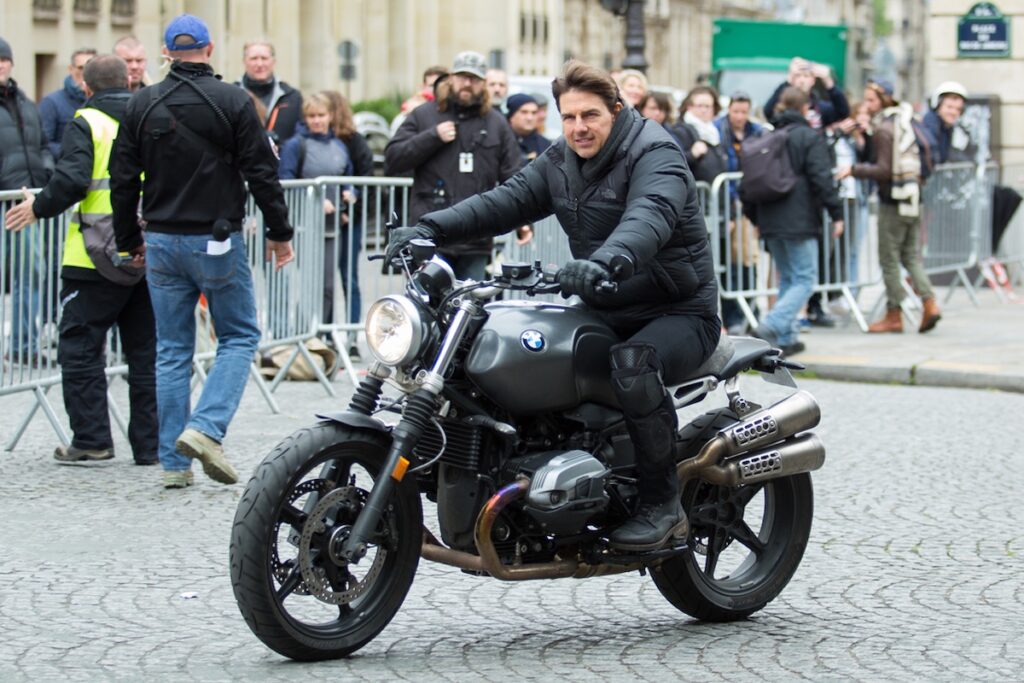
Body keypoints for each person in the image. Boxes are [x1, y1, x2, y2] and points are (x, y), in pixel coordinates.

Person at [385, 60, 720, 551]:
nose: (579, 127)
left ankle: (662, 506)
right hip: (607, 302)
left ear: (617, 110)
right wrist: (429, 229)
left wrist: (608, 261)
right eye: (568, 117)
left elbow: (651, 216)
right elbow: (504, 200)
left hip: (678, 310)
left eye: (590, 116)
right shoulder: (561, 160)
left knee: (633, 363)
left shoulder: (656, 152)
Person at [110, 14, 295, 489]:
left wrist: (130, 241)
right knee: (238, 335)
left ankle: (175, 464)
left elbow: (123, 180)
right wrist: (280, 231)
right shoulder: (233, 100)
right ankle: (205, 429)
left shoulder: (142, 104)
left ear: (167, 52)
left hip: (162, 240)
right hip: (216, 238)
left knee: (171, 349)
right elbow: (261, 173)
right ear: (210, 50)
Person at [4, 55, 157, 466]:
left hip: (93, 257)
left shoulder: (86, 121)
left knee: (80, 347)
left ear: (86, 87)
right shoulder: (151, 115)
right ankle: (150, 445)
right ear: (128, 81)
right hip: (148, 251)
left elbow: (72, 179)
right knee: (145, 353)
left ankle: (91, 440)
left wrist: (38, 207)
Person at [383, 50, 519, 280]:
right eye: (462, 77)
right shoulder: (424, 115)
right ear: (451, 78)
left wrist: (523, 221)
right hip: (429, 235)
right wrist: (431, 137)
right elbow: (393, 159)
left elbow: (514, 174)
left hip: (475, 236)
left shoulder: (496, 123)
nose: (467, 83)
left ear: (483, 84)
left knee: (468, 308)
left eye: (474, 79)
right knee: (425, 307)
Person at [743, 87, 844, 356]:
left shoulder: (767, 135)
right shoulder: (808, 136)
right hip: (798, 218)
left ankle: (786, 338)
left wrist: (756, 218)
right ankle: (772, 325)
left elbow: (749, 181)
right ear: (805, 108)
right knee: (804, 279)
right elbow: (822, 178)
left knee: (788, 275)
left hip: (770, 218)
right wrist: (837, 213)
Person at [837, 79, 941, 334]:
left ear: (884, 100)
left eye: (871, 100)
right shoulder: (905, 119)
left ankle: (897, 313)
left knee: (889, 260)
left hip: (892, 201)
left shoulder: (885, 128)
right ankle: (928, 303)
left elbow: (883, 169)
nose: (868, 105)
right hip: (912, 197)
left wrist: (853, 169)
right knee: (909, 256)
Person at [278, 93, 356, 346]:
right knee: (312, 283)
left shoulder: (339, 146)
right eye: (312, 116)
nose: (317, 121)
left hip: (333, 227)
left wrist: (349, 193)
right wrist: (314, 198)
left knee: (328, 286)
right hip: (305, 227)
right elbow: (286, 180)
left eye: (321, 116)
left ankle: (320, 336)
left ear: (330, 117)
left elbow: (347, 176)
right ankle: (306, 335)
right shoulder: (295, 145)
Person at [1, 35, 54, 367]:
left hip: (24, 201)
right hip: (3, 197)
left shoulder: (25, 103)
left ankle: (23, 344)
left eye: (4, 59)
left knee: (31, 272)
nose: (1, 65)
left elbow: (44, 146)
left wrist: (46, 173)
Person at [714, 91, 763, 334]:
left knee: (749, 259)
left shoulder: (758, 130)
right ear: (729, 110)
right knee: (732, 261)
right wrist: (730, 210)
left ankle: (752, 310)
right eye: (736, 111)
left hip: (751, 200)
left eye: (744, 112)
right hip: (728, 200)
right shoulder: (718, 129)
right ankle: (734, 314)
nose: (740, 117)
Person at [237, 40, 303, 145]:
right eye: (254, 59)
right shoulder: (231, 95)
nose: (259, 64)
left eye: (264, 58)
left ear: (273, 61)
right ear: (244, 61)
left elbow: (300, 136)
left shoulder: (292, 97)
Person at [39, 48, 97, 158]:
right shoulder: (52, 103)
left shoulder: (104, 102)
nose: (85, 73)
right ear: (71, 69)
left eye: (91, 69)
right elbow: (44, 144)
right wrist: (75, 151)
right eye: (81, 68)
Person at [763, 57, 849, 130]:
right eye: (798, 76)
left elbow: (842, 112)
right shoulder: (783, 106)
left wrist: (828, 82)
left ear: (813, 80)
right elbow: (768, 112)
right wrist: (788, 81)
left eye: (806, 76)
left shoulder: (819, 107)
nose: (802, 80)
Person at [668, 85, 727, 185]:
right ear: (689, 107)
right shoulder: (680, 130)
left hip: (714, 194)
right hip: (695, 195)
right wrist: (692, 154)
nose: (704, 110)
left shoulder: (715, 131)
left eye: (708, 106)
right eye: (699, 106)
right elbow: (671, 161)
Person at [921, 81, 975, 165]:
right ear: (938, 105)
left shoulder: (947, 126)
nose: (954, 112)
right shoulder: (931, 124)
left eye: (958, 109)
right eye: (949, 107)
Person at [505, 93, 550, 166]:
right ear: (511, 116)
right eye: (524, 112)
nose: (530, 118)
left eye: (534, 113)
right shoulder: (500, 140)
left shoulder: (545, 145)